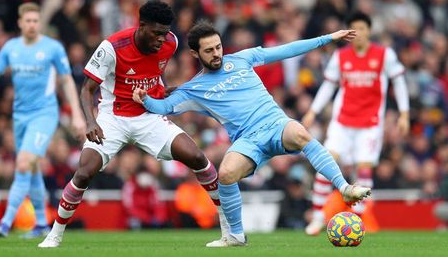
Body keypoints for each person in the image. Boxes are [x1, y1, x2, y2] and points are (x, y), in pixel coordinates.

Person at [133, 20, 371, 247]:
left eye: (218, 47)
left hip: (275, 124)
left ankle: (344, 189)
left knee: (300, 132)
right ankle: (235, 235)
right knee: (225, 174)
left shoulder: (242, 58)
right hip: (248, 141)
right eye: (208, 50)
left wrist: (327, 38)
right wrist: (144, 99)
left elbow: (286, 50)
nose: (216, 53)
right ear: (196, 54)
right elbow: (162, 108)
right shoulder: (192, 90)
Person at [38, 0, 227, 248]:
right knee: (84, 172)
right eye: (156, 32)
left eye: (165, 32)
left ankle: (227, 226)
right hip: (112, 118)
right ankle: (55, 234)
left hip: (148, 116)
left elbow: (154, 72)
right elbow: (87, 89)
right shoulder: (112, 47)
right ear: (142, 26)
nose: (162, 39)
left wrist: (161, 90)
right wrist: (91, 121)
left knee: (198, 157)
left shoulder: (171, 42)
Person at [0, 2, 86, 238]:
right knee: (31, 169)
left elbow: (66, 81)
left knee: (23, 163)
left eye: (36, 21)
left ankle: (5, 221)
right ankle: (42, 223)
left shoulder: (52, 47)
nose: (33, 25)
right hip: (20, 116)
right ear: (20, 23)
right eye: (29, 21)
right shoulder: (11, 48)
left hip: (44, 114)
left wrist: (76, 113)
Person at [301, 12, 409, 235]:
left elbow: (399, 82)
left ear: (369, 30)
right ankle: (318, 216)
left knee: (364, 172)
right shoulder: (340, 56)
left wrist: (404, 114)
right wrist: (312, 111)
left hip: (370, 124)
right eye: (354, 29)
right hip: (342, 121)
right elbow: (329, 86)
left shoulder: (384, 55)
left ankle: (357, 221)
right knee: (325, 166)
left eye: (362, 28)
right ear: (349, 33)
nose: (358, 33)